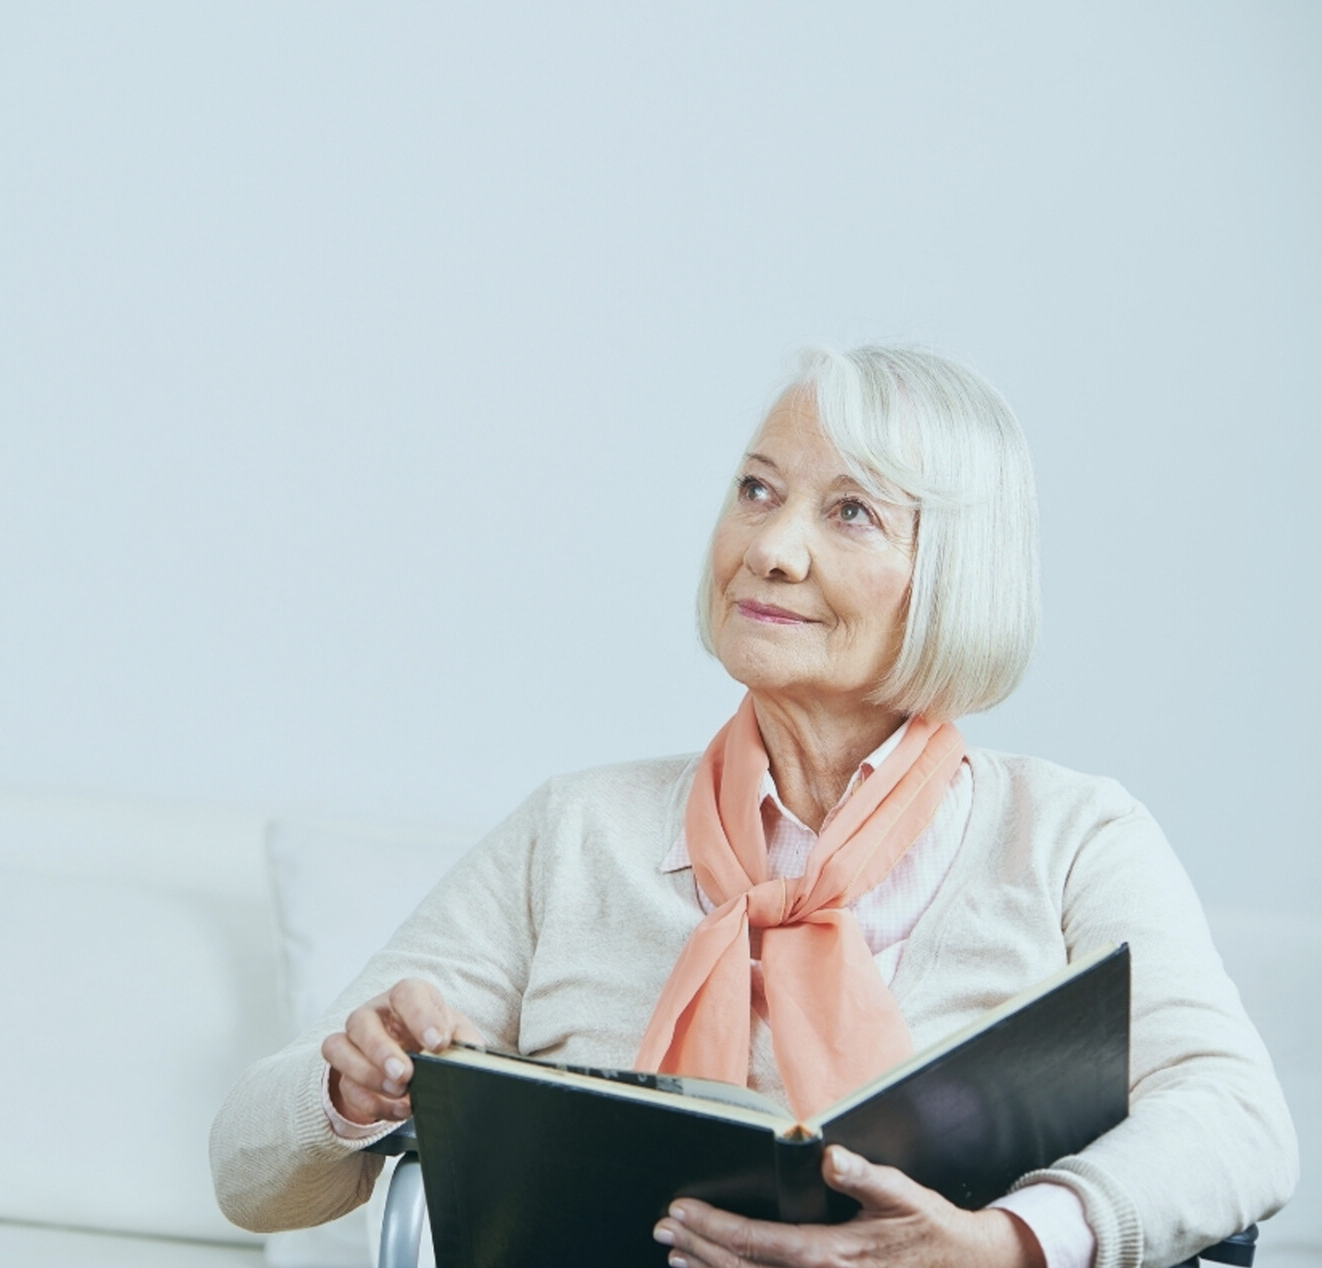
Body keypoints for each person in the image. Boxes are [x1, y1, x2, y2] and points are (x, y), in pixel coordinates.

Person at [210, 346, 1297, 1268]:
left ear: (954, 574)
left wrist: (1007, 1240)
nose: (770, 547)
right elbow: (246, 1168)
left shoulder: (1067, 837)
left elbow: (1240, 1118)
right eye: (757, 489)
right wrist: (348, 1087)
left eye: (851, 512)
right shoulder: (574, 831)